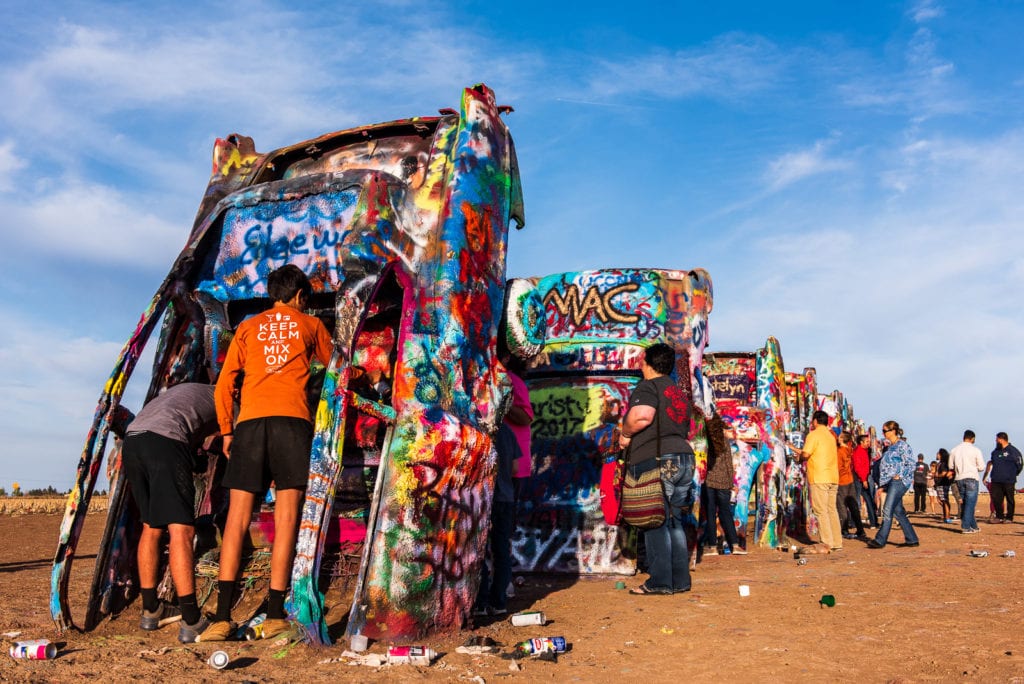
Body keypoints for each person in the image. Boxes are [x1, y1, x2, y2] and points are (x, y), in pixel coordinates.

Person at [201, 265, 334, 641]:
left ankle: (223, 618)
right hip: (292, 423)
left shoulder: (247, 328)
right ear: (300, 296)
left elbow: (225, 383)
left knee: (236, 522)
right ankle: (275, 614)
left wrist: (228, 429)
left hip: (251, 425)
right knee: (287, 519)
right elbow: (339, 369)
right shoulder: (311, 325)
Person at [122, 382, 219, 643]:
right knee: (182, 529)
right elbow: (232, 439)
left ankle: (151, 609)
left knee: (151, 526)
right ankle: (191, 620)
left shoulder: (191, 391)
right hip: (165, 440)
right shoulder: (226, 396)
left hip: (133, 441)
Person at [618, 342, 695, 595]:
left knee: (654, 521)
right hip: (684, 458)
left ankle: (660, 581)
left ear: (647, 364)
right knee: (674, 521)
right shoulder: (679, 393)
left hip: (659, 459)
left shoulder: (648, 386)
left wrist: (625, 432)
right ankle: (680, 580)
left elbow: (642, 416)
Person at [475, 354, 533, 615]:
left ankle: (482, 601)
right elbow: (511, 467)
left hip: (489, 497)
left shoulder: (484, 434)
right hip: (505, 496)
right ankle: (498, 600)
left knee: (481, 548)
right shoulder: (507, 435)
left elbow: (526, 416)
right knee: (499, 547)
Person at [793, 410, 841, 553]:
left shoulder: (813, 435)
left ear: (815, 421)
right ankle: (837, 541)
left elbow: (806, 454)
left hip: (819, 477)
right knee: (831, 510)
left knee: (821, 511)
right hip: (832, 477)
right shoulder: (831, 436)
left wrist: (799, 457)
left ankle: (827, 542)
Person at [866, 420, 919, 549]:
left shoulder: (903, 446)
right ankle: (912, 539)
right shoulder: (890, 447)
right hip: (890, 482)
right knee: (898, 511)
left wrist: (899, 475)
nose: (883, 433)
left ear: (893, 431)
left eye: (885, 430)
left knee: (887, 509)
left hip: (899, 482)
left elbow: (911, 463)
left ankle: (880, 539)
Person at [701, 415, 745, 555]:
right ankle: (735, 545)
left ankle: (713, 546)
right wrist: (731, 482)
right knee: (726, 513)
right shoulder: (724, 441)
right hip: (724, 482)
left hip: (709, 480)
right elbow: (728, 464)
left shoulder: (706, 442)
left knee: (710, 513)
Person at [948, 429, 985, 534]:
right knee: (970, 504)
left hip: (959, 478)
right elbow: (981, 467)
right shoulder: (976, 450)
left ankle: (974, 526)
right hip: (971, 477)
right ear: (972, 438)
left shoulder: (954, 450)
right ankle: (966, 526)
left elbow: (951, 466)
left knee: (965, 504)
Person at [983, 432, 1023, 523]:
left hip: (1009, 480)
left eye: (997, 439)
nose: (996, 441)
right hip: (996, 480)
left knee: (1010, 499)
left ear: (1001, 439)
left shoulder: (1013, 451)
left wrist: (1013, 474)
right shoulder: (995, 452)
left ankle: (1009, 518)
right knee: (996, 499)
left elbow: (1020, 464)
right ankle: (999, 517)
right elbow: (992, 463)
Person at [836, 432, 867, 541]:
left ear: (841, 439)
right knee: (853, 506)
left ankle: (844, 530)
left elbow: (839, 468)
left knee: (842, 506)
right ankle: (860, 529)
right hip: (850, 480)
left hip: (842, 481)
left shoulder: (840, 452)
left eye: (839, 437)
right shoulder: (850, 450)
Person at [852, 434, 878, 528]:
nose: (868, 443)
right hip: (860, 479)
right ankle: (855, 523)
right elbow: (858, 467)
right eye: (866, 441)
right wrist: (863, 480)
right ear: (861, 442)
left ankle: (872, 522)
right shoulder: (858, 452)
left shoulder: (865, 451)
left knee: (868, 500)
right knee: (858, 501)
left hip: (864, 478)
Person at [935, 448, 954, 523]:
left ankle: (948, 517)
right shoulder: (939, 464)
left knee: (945, 500)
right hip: (939, 484)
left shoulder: (943, 464)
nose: (936, 455)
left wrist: (936, 475)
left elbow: (944, 473)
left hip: (943, 484)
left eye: (938, 454)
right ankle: (945, 516)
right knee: (942, 500)